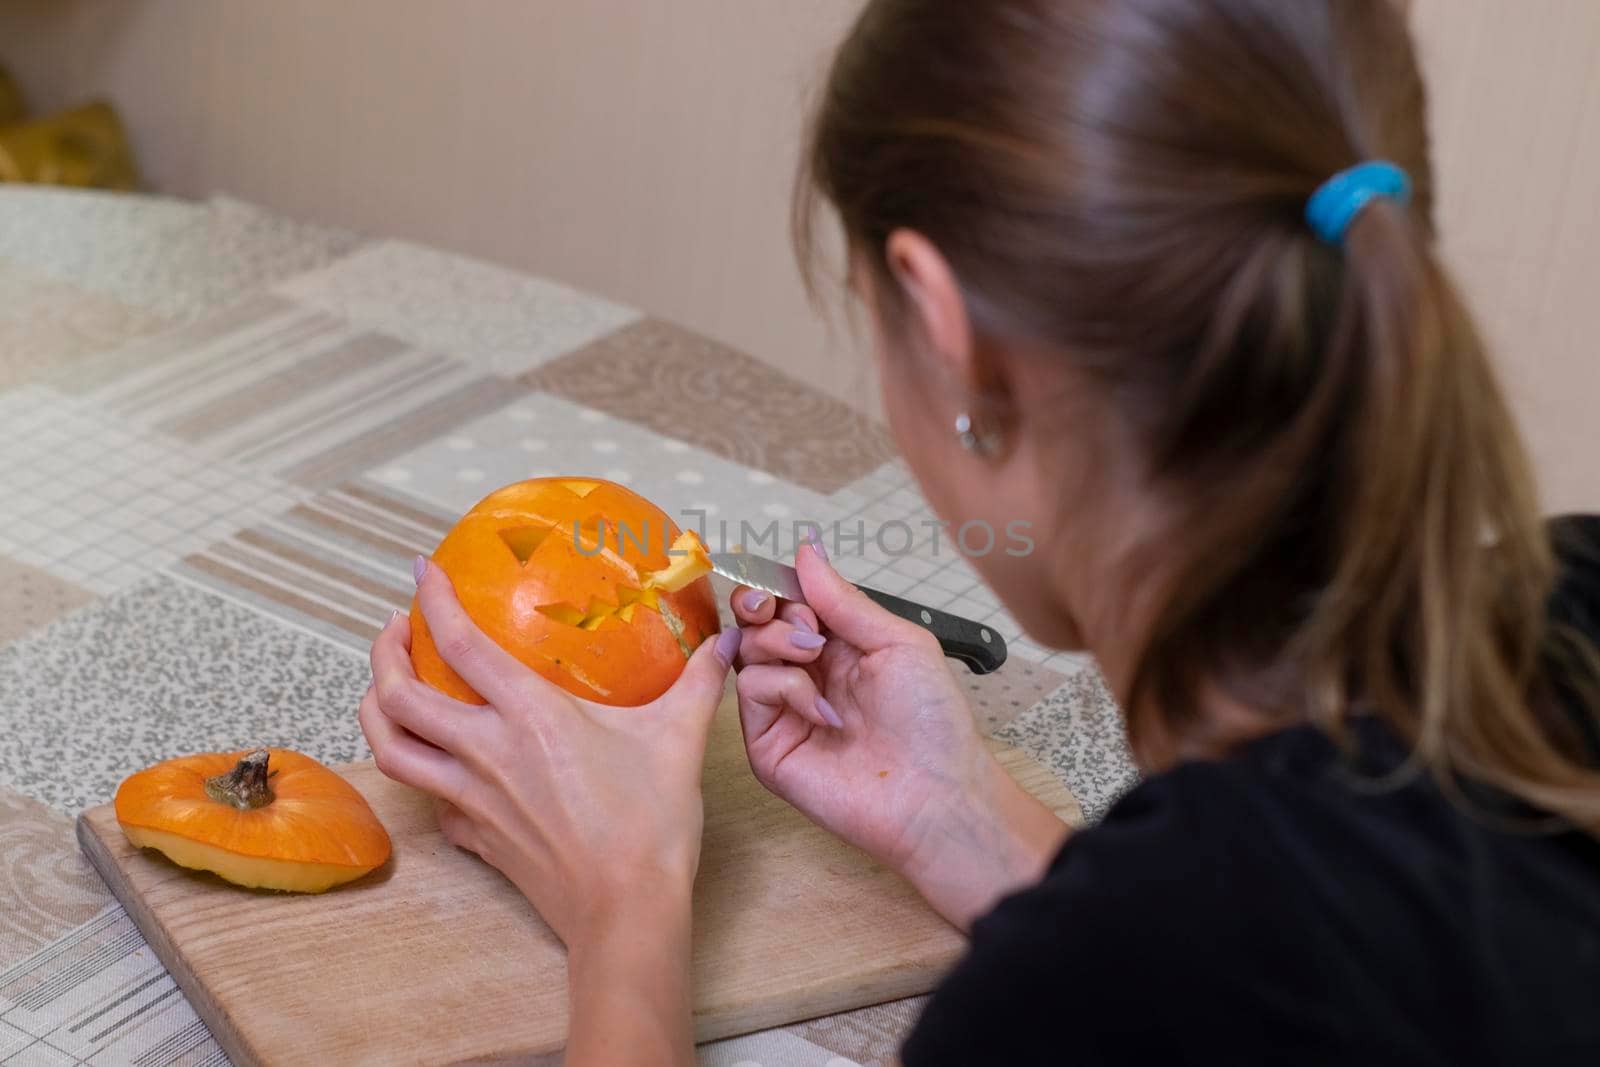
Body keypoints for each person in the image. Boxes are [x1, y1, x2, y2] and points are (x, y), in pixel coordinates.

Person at [359, 0, 1600, 1062]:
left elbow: (1174, 979)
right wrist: (971, 824)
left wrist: (622, 901)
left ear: (950, 336)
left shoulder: (1066, 1004)